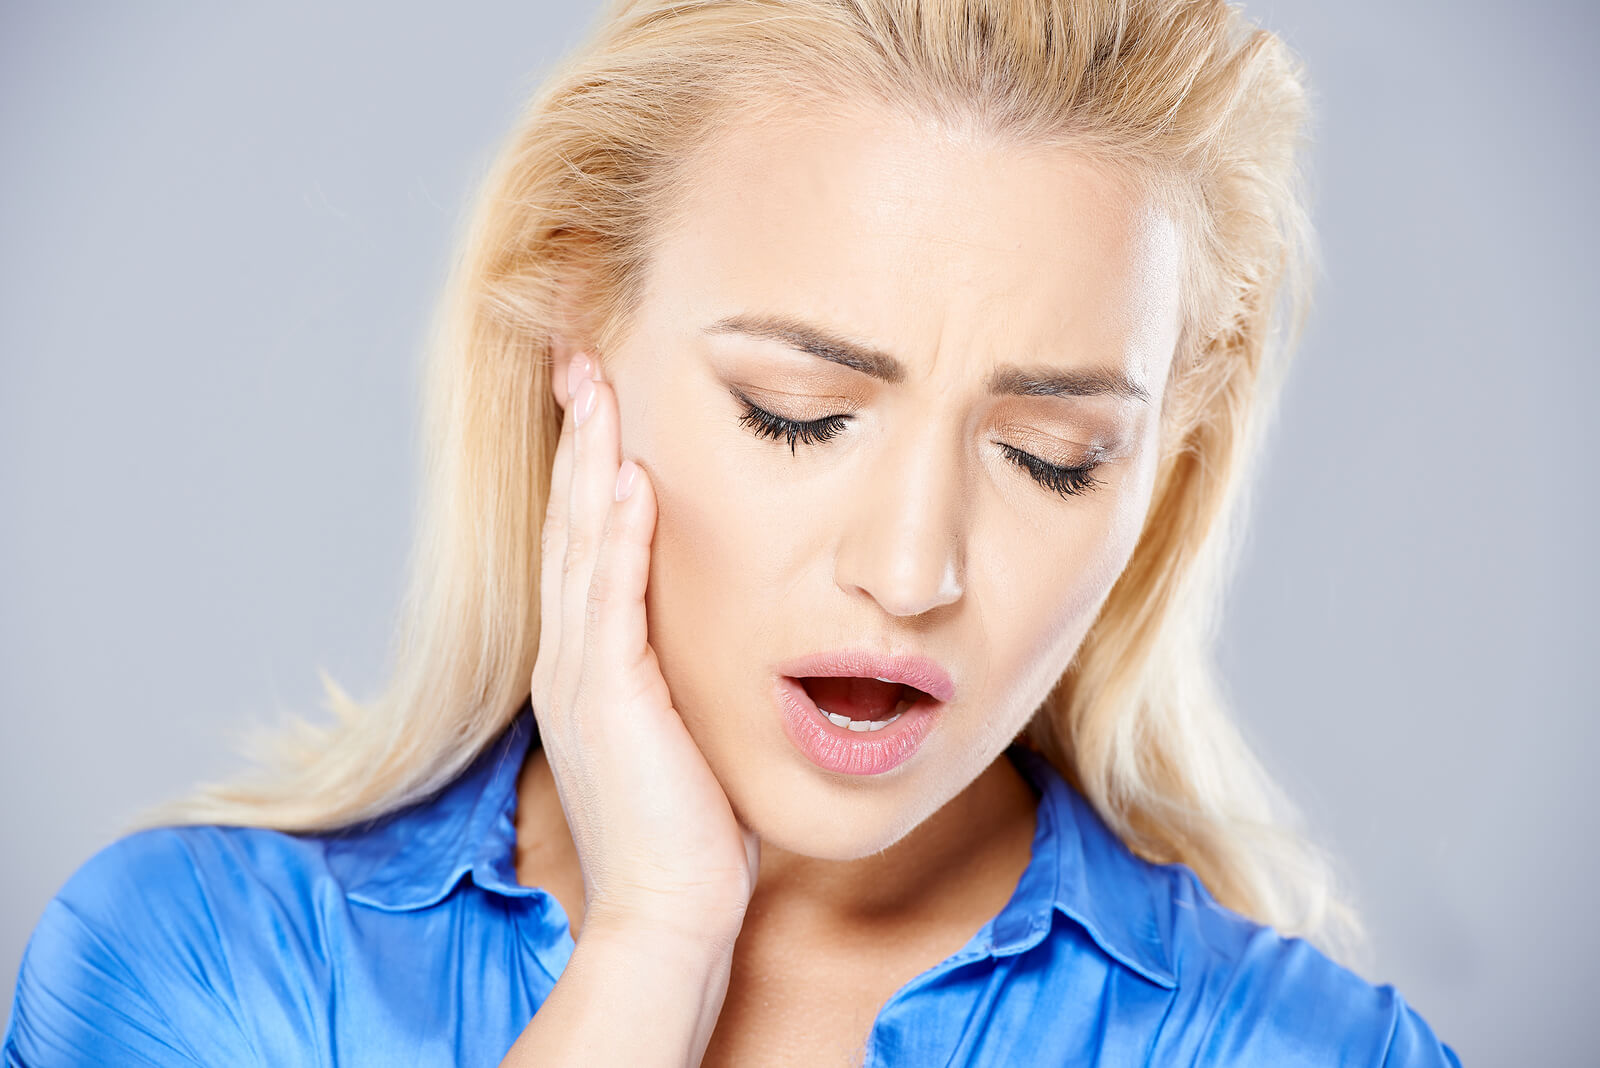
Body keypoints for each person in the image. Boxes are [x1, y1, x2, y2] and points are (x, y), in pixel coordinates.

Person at [4, 1, 1462, 1065]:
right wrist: (655, 944)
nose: (910, 570)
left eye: (1051, 458)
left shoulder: (1305, 1053)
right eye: (798, 414)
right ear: (577, 347)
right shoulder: (202, 972)